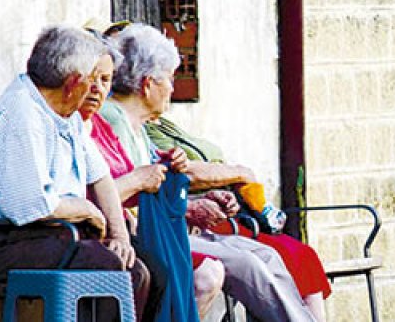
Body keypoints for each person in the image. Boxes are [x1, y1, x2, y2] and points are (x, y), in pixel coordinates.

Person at [104, 23, 317, 322]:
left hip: (169, 227)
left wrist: (199, 199)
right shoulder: (115, 119)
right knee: (247, 265)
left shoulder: (138, 125)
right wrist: (189, 205)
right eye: (169, 79)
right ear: (148, 84)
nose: (173, 88)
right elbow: (130, 195)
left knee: (267, 255)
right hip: (152, 234)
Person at [0, 25, 153, 321]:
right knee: (102, 266)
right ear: (73, 83)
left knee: (140, 269)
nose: (95, 89)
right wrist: (87, 210)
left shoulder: (66, 114)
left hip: (39, 235)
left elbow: (100, 176)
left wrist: (120, 235)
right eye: (91, 79)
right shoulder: (20, 113)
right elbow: (30, 206)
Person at [78, 35, 226, 320]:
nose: (98, 89)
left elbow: (132, 180)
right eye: (169, 78)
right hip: (99, 232)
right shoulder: (107, 118)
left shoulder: (103, 125)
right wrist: (142, 186)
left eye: (105, 80)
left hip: (128, 229)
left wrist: (168, 169)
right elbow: (88, 195)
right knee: (158, 272)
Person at [148, 116, 332, 321]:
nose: (169, 96)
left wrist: (213, 195)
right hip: (174, 225)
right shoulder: (134, 130)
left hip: (213, 213)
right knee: (248, 263)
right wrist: (239, 174)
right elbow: (172, 178)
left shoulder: (160, 125)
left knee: (278, 255)